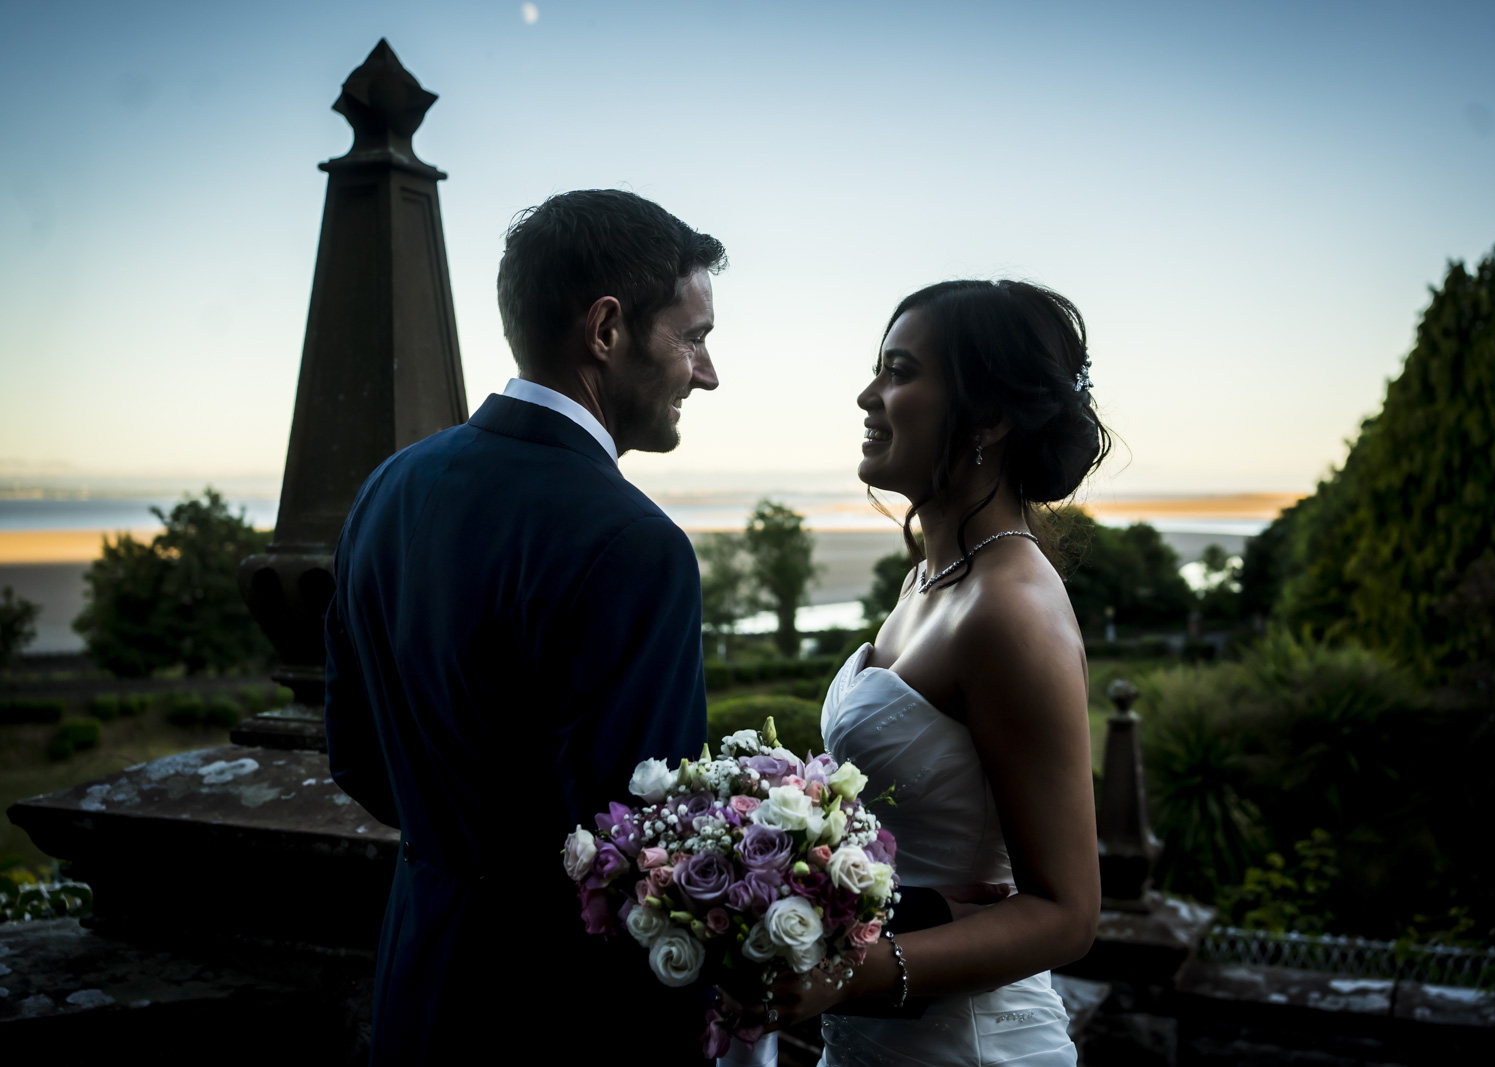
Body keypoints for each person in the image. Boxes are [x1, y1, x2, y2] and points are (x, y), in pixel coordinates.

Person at [324, 189, 726, 1064]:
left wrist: (469, 862)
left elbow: (353, 753)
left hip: (417, 981)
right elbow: (637, 860)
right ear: (608, 329)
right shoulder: (634, 545)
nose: (706, 372)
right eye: (693, 337)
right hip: (557, 1021)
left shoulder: (388, 490)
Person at [762, 280, 1108, 1064]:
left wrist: (854, 970)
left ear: (989, 416)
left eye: (899, 370)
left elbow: (1067, 913)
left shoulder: (1011, 611)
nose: (868, 394)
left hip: (970, 1045)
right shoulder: (926, 579)